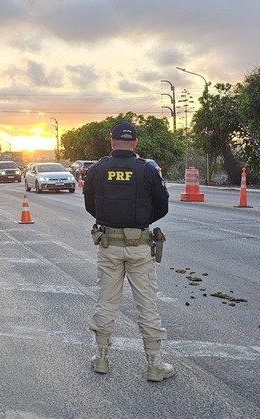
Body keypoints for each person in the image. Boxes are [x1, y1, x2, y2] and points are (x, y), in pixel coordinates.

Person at [82, 121, 174, 382]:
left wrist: (112, 221)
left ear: (111, 143)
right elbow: (162, 206)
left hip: (109, 245)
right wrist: (140, 221)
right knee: (147, 304)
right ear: (135, 143)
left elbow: (91, 205)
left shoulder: (97, 169)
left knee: (107, 301)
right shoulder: (147, 169)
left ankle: (101, 359)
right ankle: (154, 365)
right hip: (140, 246)